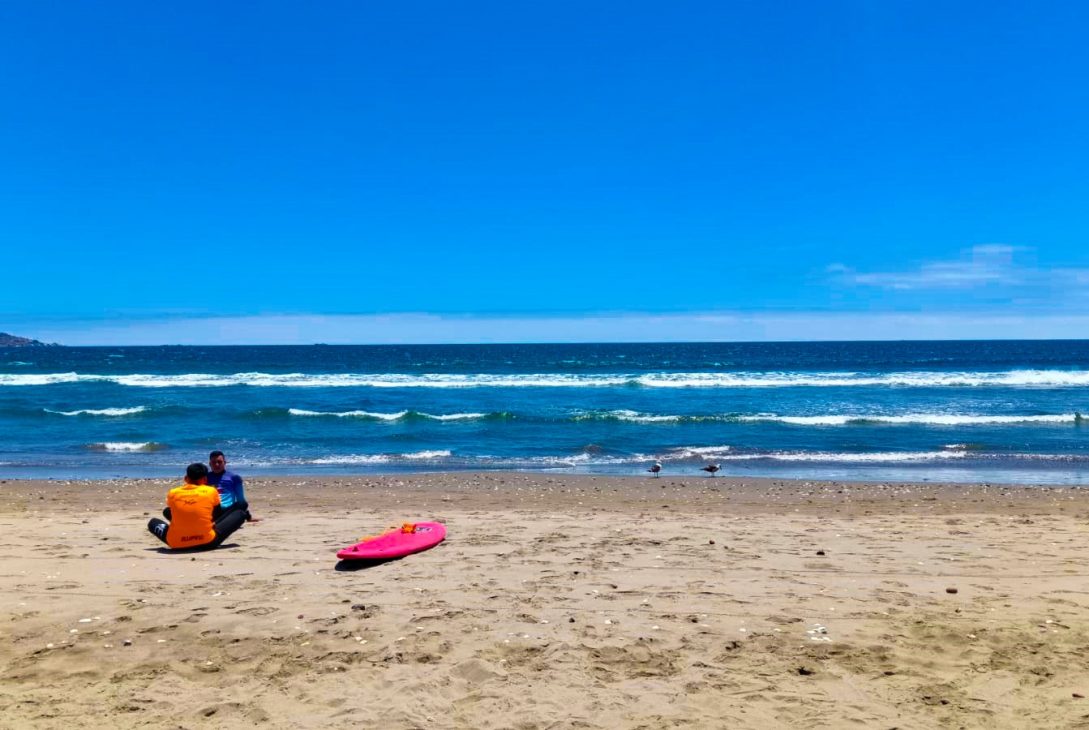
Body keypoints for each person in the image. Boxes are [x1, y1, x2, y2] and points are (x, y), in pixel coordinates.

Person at [147, 463, 246, 550]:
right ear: (205, 479)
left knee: (153, 522)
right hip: (207, 542)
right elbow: (216, 514)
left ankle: (184, 533)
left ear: (186, 478)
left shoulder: (173, 493)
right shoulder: (211, 491)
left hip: (177, 544)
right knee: (240, 514)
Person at [207, 450, 258, 522]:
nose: (217, 464)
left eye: (219, 462)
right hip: (212, 510)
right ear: (210, 464)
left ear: (225, 463)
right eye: (214, 462)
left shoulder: (234, 478)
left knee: (243, 504)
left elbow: (240, 499)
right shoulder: (205, 478)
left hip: (228, 509)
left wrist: (248, 516)